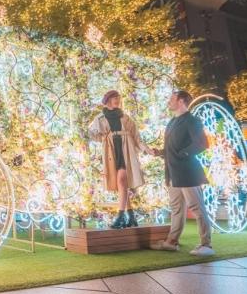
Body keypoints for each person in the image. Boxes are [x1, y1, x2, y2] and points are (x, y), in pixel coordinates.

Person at [151, 90, 212, 255]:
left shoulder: (191, 120)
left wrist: (183, 154)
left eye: (172, 99)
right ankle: (172, 241)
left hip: (187, 172)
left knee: (197, 207)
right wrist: (159, 152)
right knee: (177, 208)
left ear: (182, 101)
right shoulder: (172, 122)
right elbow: (172, 148)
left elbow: (202, 143)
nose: (169, 101)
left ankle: (206, 245)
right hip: (172, 173)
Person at [88, 91, 152, 228]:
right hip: (111, 152)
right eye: (114, 97)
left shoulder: (125, 118)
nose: (117, 100)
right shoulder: (100, 118)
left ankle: (120, 217)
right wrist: (105, 139)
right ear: (108, 100)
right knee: (121, 185)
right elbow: (93, 134)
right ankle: (132, 217)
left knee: (122, 181)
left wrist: (147, 149)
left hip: (126, 151)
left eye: (118, 97)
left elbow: (136, 138)